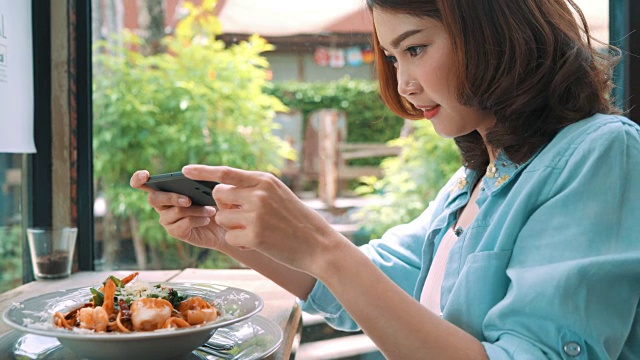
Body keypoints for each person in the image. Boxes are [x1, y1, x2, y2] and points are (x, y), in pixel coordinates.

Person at [130, 0, 640, 358]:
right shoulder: (477, 178)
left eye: (415, 49)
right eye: (393, 58)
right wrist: (232, 235)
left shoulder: (601, 151)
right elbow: (367, 285)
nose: (403, 83)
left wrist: (321, 245)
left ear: (494, 32)